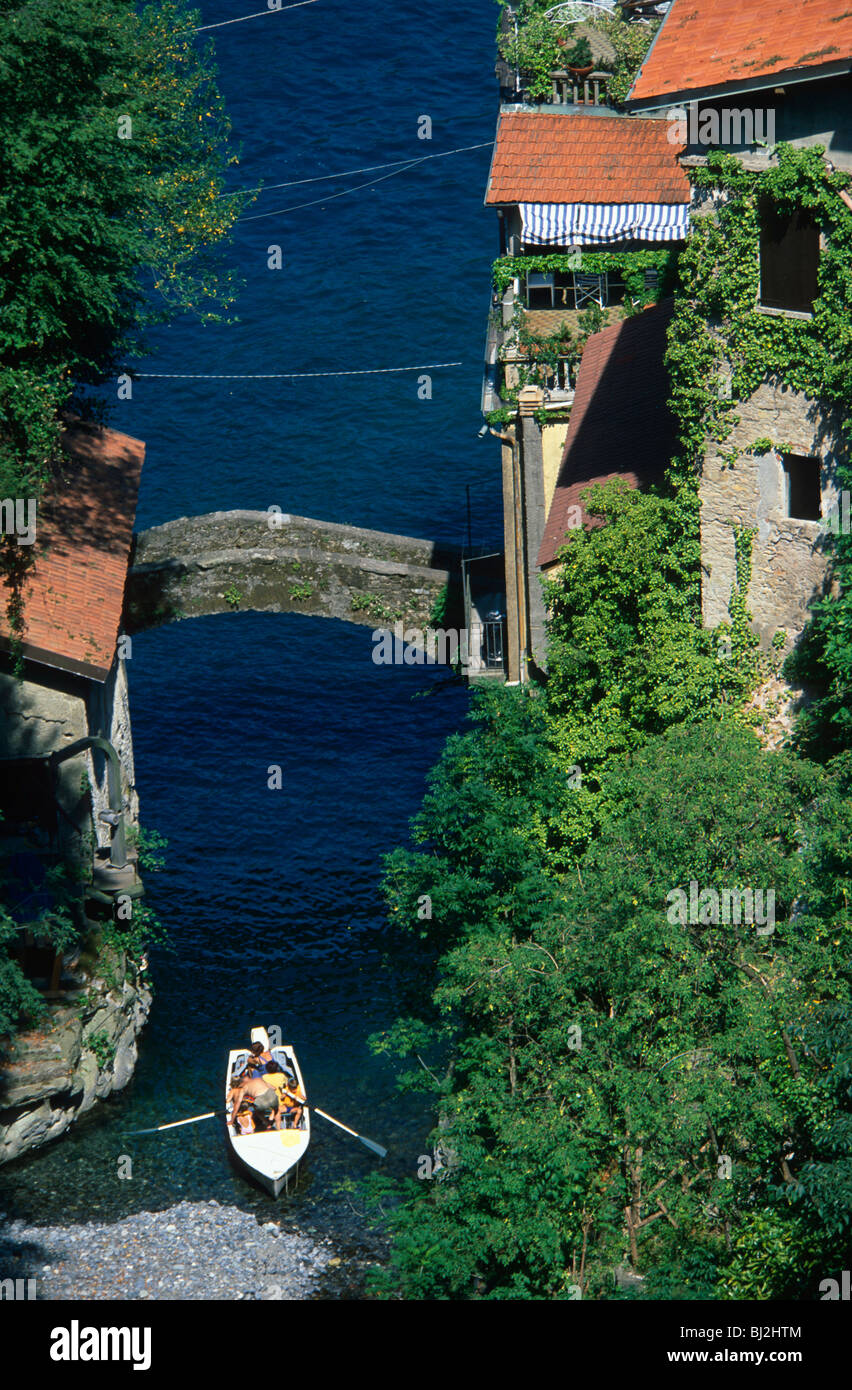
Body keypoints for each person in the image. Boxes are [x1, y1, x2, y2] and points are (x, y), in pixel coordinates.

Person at [263, 1061, 305, 1129]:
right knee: (277, 1110)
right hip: (283, 1105)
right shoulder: (282, 1077)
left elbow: (303, 1098)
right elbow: (283, 1095)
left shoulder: (263, 1077)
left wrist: (298, 1097)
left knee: (298, 1111)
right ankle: (277, 1127)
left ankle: (294, 1125)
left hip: (273, 1103)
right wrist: (285, 1094)